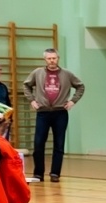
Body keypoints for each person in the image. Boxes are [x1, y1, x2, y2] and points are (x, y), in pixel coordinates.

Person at [23, 48, 85, 183]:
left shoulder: (67, 74)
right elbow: (26, 86)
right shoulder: (38, 73)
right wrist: (32, 100)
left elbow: (80, 86)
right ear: (45, 60)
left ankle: (55, 173)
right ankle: (38, 173)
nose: (52, 61)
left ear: (58, 58)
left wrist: (73, 101)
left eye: (54, 58)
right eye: (49, 58)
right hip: (43, 112)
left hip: (60, 112)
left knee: (59, 144)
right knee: (39, 143)